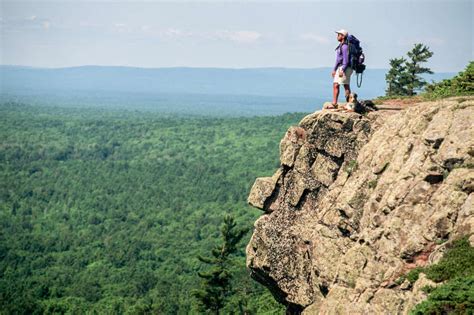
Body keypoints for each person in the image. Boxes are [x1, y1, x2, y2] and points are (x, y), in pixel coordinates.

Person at [331, 29, 353, 108]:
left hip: (345, 68)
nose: (337, 36)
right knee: (335, 84)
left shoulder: (344, 47)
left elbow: (346, 60)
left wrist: (342, 70)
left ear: (343, 36)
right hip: (341, 67)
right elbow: (338, 60)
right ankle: (334, 103)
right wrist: (334, 69)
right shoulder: (340, 46)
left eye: (339, 35)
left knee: (345, 85)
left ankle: (349, 104)